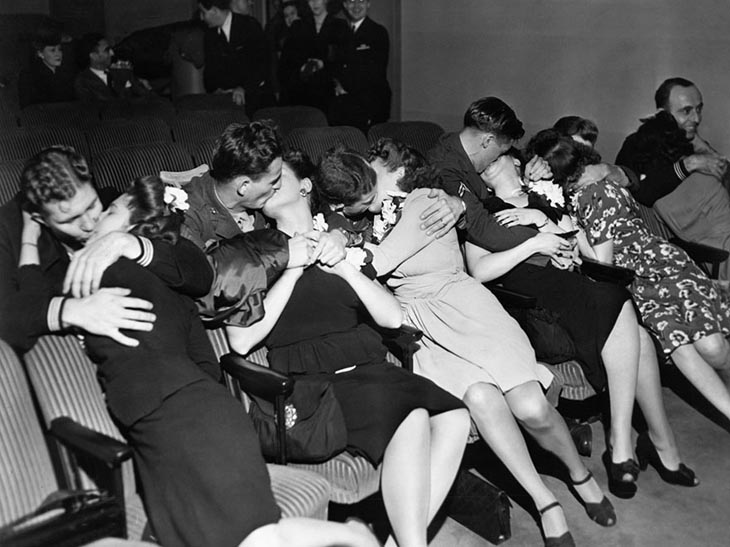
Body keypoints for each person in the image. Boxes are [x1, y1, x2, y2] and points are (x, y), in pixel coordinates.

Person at [47, 173, 381, 547]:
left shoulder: (115, 268)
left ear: (134, 229)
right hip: (196, 417)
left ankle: (353, 537)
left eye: (108, 211)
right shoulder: (167, 286)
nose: (93, 221)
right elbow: (206, 365)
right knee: (251, 536)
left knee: (250, 538)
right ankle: (353, 536)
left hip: (184, 421)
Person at [316, 142, 615, 546]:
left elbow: (379, 262)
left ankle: (579, 476)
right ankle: (545, 501)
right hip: (423, 328)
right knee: (479, 397)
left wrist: (333, 247)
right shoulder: (370, 216)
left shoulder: (426, 202)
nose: (363, 176)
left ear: (398, 169)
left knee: (530, 406)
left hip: (467, 311)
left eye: (371, 164)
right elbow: (341, 222)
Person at [223, 149, 470, 547]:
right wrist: (294, 265)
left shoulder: (344, 240)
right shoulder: (255, 251)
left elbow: (391, 318)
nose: (266, 181)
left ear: (304, 187)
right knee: (413, 417)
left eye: (277, 175)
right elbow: (241, 339)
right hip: (314, 383)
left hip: (368, 369)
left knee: (455, 418)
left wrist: (341, 264)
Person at [465, 150, 697, 495]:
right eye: (483, 162)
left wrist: (549, 225)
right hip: (534, 303)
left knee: (634, 331)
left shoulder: (545, 197)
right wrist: (534, 245)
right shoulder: (485, 213)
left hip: (573, 287)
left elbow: (586, 251)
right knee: (615, 302)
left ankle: (650, 444)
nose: (489, 161)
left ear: (516, 162)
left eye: (500, 154)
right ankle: (637, 443)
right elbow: (480, 271)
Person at [530, 128, 730, 434]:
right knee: (679, 346)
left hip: (660, 269)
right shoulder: (586, 188)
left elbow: (603, 263)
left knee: (710, 347)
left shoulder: (592, 193)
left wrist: (575, 231)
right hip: (641, 283)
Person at [0, 146, 212, 354]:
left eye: (91, 206)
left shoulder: (110, 203)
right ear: (39, 218)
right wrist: (69, 310)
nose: (89, 224)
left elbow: (200, 275)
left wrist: (129, 244)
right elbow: (7, 321)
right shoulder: (9, 234)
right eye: (70, 220)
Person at [615, 78, 730, 280]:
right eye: (686, 111)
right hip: (712, 249)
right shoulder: (639, 145)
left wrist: (701, 146)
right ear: (662, 114)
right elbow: (641, 191)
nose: (696, 118)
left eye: (699, 109)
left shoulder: (693, 143)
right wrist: (690, 164)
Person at [198, 0, 275, 113]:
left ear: (214, 11)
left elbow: (262, 65)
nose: (201, 18)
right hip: (227, 105)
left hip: (257, 102)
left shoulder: (249, 26)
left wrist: (244, 88)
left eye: (203, 12)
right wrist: (216, 89)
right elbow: (209, 71)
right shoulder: (210, 36)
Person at [328, 0, 391, 132]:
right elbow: (335, 66)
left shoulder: (378, 33)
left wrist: (345, 88)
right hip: (344, 106)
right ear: (344, 5)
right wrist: (336, 84)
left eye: (361, 1)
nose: (356, 6)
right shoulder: (340, 33)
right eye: (351, 1)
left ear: (368, 4)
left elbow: (375, 73)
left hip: (369, 107)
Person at [74, 33, 153, 102]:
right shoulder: (83, 82)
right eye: (107, 50)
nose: (112, 53)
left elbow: (144, 95)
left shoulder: (122, 72)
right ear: (93, 56)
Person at [18, 27, 75, 108]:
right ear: (40, 54)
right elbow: (29, 108)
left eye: (60, 49)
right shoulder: (29, 76)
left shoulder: (66, 73)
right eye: (52, 50)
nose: (58, 54)